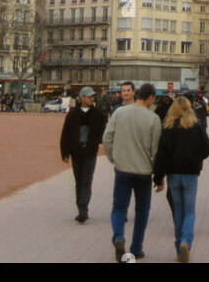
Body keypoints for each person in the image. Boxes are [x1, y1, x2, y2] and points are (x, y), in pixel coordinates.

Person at [102, 82, 162, 262]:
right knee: (142, 210)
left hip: (123, 168)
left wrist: (114, 157)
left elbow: (107, 138)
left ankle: (119, 236)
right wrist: (156, 172)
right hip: (143, 171)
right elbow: (155, 149)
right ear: (150, 97)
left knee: (119, 207)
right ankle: (136, 248)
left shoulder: (120, 113)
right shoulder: (153, 118)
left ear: (137, 94)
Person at [153, 96, 209, 262]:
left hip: (173, 173)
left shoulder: (168, 127)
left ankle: (179, 244)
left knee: (178, 210)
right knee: (189, 211)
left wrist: (158, 178)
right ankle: (186, 241)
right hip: (191, 173)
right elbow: (207, 148)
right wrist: (196, 158)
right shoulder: (196, 126)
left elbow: (161, 155)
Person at [60, 86, 107, 223]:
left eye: (93, 96)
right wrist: (64, 152)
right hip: (76, 151)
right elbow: (66, 134)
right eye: (89, 96)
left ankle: (83, 208)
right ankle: (80, 206)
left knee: (86, 180)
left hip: (90, 151)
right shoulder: (72, 114)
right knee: (78, 180)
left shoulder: (98, 114)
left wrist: (99, 143)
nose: (92, 98)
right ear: (82, 98)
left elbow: (103, 131)